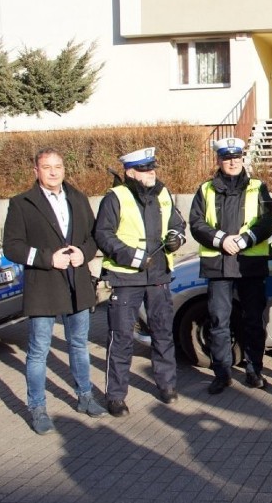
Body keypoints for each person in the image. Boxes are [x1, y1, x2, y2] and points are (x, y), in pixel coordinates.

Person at [3, 148, 107, 434]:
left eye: (58, 166)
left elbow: (92, 237)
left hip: (77, 283)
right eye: (46, 167)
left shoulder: (77, 198)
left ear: (64, 169)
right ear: (36, 171)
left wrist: (83, 254)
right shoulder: (21, 203)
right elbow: (11, 247)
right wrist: (48, 258)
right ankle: (37, 408)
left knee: (78, 345)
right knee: (38, 351)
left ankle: (85, 397)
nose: (53, 172)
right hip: (43, 287)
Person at [94, 147, 186, 417]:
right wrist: (132, 257)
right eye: (145, 169)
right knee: (120, 337)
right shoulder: (115, 197)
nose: (151, 173)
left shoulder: (163, 193)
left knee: (162, 332)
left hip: (158, 275)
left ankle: (167, 385)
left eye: (152, 168)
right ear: (130, 172)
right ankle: (116, 396)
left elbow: (178, 224)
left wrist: (176, 237)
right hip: (126, 277)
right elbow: (103, 234)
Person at [189, 137, 272, 395]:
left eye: (237, 157)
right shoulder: (205, 190)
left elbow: (267, 221)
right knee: (218, 321)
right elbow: (196, 223)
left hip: (249, 263)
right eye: (227, 158)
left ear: (242, 159)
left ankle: (254, 371)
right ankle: (222, 373)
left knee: (254, 321)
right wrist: (221, 239)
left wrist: (245, 239)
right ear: (219, 161)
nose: (233, 162)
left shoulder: (259, 187)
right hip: (219, 264)